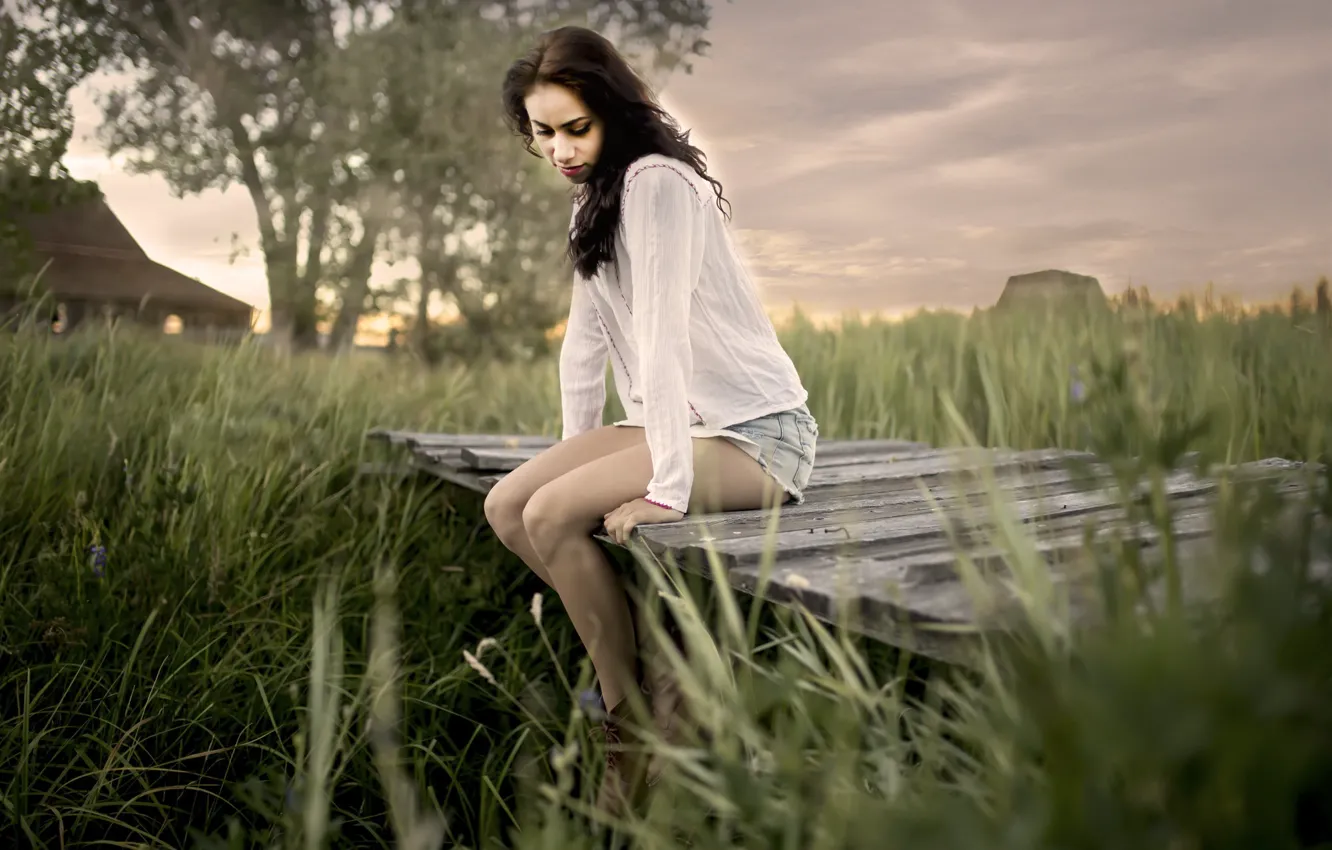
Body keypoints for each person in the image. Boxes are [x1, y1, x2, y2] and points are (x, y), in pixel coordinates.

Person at [490, 24, 818, 814]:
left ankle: (627, 724)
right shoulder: (591, 203)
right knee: (511, 508)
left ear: (612, 111)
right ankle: (661, 657)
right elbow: (585, 345)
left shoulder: (658, 185)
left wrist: (668, 486)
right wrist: (577, 454)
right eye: (545, 133)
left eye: (578, 128)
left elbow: (663, 329)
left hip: (755, 434)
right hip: (670, 422)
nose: (562, 148)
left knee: (553, 514)